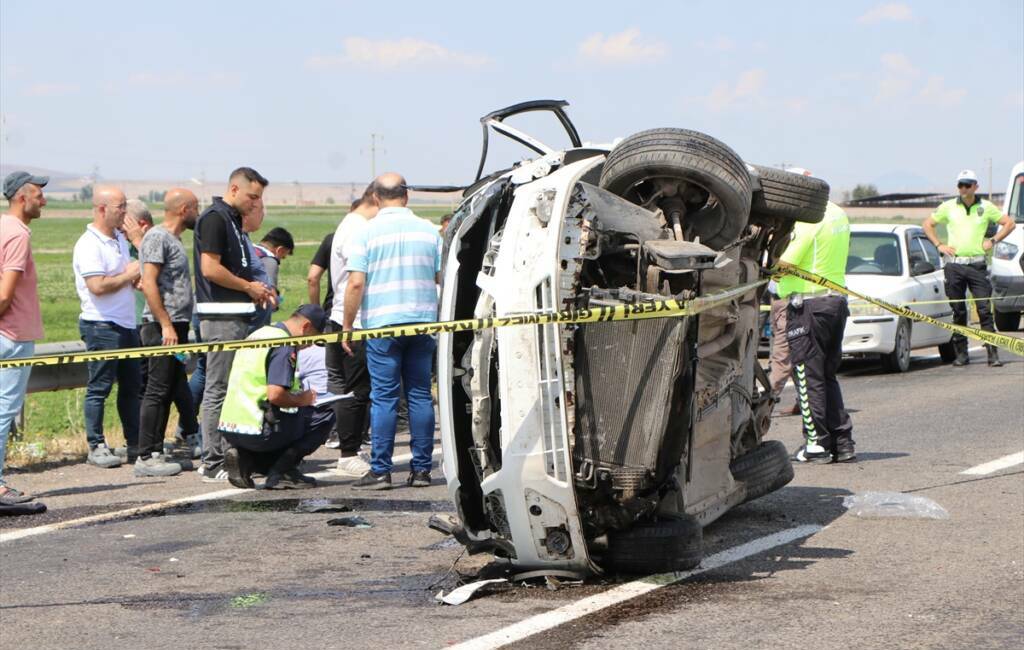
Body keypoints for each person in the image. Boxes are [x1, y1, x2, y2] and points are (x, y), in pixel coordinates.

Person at [343, 173, 441, 489]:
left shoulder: (365, 233)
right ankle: (423, 470)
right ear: (406, 196)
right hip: (423, 323)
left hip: (382, 327)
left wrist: (347, 325)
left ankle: (381, 470)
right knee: (420, 395)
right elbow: (442, 277)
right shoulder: (429, 231)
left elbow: (356, 282)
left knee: (384, 397)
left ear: (375, 198)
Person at [194, 167, 276, 482]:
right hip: (220, 315)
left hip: (238, 314)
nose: (255, 203)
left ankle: (231, 455)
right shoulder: (215, 218)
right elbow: (210, 269)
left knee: (231, 388)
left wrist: (258, 290)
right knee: (218, 387)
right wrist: (249, 288)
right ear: (234, 189)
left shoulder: (232, 221)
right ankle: (212, 460)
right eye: (252, 196)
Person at [777, 199, 855, 464]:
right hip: (835, 303)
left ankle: (816, 444)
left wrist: (770, 268)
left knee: (807, 377)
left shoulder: (808, 218)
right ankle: (842, 443)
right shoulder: (838, 214)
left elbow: (787, 262)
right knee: (827, 376)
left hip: (808, 306)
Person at [219, 305, 330, 490]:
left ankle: (246, 458)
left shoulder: (260, 333)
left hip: (231, 426)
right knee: (324, 415)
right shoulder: (284, 344)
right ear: (306, 327)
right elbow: (275, 394)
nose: (310, 345)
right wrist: (302, 399)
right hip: (258, 427)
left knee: (290, 416)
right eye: (313, 339)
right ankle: (283, 471)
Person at [72, 186, 143, 468]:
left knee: (131, 387)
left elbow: (126, 277)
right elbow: (97, 286)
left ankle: (135, 443)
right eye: (120, 207)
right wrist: (129, 274)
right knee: (100, 387)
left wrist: (133, 277)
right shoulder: (89, 244)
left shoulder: (119, 240)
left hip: (126, 323)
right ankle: (96, 444)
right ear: (102, 209)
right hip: (101, 324)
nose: (125, 212)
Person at [136, 188, 200, 477]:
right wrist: (165, 324)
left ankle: (159, 450)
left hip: (177, 325)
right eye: (196, 208)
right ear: (184, 209)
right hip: (163, 326)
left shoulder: (172, 239)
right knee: (157, 389)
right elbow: (148, 282)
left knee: (173, 386)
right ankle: (146, 455)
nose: (198, 213)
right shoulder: (157, 237)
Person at [923, 169, 1016, 367]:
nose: (963, 189)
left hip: (977, 266)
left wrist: (993, 240)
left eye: (967, 185)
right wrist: (939, 245)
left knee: (984, 310)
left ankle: (993, 353)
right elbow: (927, 225)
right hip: (955, 266)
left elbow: (1009, 223)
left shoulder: (986, 206)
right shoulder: (948, 207)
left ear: (975, 186)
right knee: (958, 311)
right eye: (960, 185)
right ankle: (961, 354)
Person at [0, 172, 48, 506]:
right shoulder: (18, 234)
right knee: (4, 410)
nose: (43, 200)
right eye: (38, 195)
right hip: (13, 334)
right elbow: (6, 295)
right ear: (22, 197)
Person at [327, 190, 379, 475]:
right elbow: (355, 282)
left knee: (351, 390)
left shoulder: (350, 224)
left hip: (346, 318)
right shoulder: (358, 229)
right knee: (356, 392)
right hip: (354, 321)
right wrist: (349, 324)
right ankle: (348, 453)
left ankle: (351, 448)